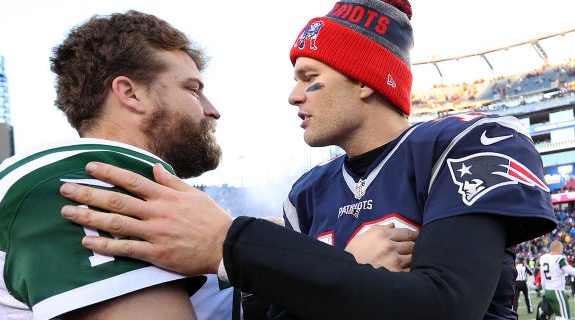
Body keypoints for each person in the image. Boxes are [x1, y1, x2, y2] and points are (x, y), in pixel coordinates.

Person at [58, 0, 558, 319]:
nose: (294, 96)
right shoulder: (309, 191)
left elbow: (446, 306)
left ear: (367, 80)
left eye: (309, 75)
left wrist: (228, 243)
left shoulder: (469, 141)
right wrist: (345, 266)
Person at [0, 10, 229, 320]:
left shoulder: (155, 188)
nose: (212, 110)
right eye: (193, 89)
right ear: (131, 93)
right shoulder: (65, 180)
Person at [538, 240, 575, 320]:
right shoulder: (559, 258)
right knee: (565, 316)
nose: (562, 249)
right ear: (559, 248)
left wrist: (544, 290)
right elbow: (570, 271)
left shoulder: (544, 259)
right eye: (561, 247)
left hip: (548, 291)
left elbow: (543, 278)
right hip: (557, 291)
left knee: (559, 315)